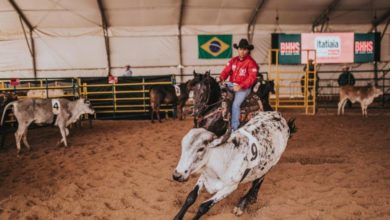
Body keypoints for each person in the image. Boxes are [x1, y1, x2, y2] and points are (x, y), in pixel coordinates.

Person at [219, 38, 258, 131]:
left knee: (235, 105)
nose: (242, 51)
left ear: (248, 50)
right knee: (218, 95)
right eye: (240, 49)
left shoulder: (251, 63)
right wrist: (220, 78)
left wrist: (241, 86)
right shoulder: (233, 60)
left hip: (244, 88)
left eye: (245, 49)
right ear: (238, 49)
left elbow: (252, 78)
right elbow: (226, 71)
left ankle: (234, 127)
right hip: (231, 84)